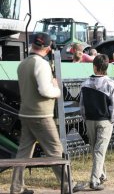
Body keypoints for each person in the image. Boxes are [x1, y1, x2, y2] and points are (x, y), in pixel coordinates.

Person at [10, 33, 69, 193]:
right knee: (55, 150)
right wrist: (56, 89)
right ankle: (67, 186)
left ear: (33, 45)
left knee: (23, 152)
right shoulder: (41, 64)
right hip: (41, 115)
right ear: (48, 48)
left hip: (26, 113)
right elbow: (45, 90)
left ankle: (16, 188)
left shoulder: (23, 64)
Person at [79, 54, 114, 190]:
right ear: (106, 67)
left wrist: (85, 117)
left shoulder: (85, 83)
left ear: (94, 67)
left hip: (90, 119)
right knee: (100, 150)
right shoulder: (110, 83)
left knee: (95, 149)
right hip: (104, 120)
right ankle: (94, 180)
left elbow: (82, 105)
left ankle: (101, 175)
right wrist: (112, 120)